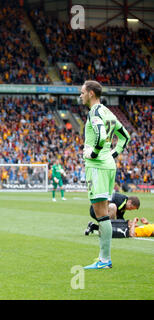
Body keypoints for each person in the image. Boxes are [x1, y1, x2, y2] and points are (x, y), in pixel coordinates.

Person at [79, 80, 130, 270]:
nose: (81, 96)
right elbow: (125, 136)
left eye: (82, 92)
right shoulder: (109, 112)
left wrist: (93, 153)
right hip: (108, 165)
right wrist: (113, 153)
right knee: (103, 212)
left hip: (97, 166)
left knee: (101, 214)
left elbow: (100, 135)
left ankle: (104, 259)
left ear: (91, 93)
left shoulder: (94, 112)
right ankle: (103, 258)